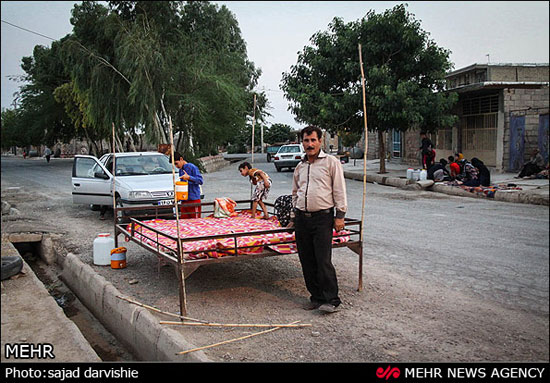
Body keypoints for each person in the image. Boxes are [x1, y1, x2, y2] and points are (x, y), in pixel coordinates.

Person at [287, 125, 347, 314]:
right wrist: (293, 216)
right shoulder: (300, 166)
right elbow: (295, 193)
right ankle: (316, 297)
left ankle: (332, 299)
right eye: (306, 140)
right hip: (302, 220)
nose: (310, 144)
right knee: (307, 260)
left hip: (323, 218)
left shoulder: (331, 162)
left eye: (313, 140)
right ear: (301, 142)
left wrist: (340, 216)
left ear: (320, 141)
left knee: (323, 260)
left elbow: (339, 189)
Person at [173, 152, 204, 219]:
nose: (176, 166)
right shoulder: (181, 170)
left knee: (195, 222)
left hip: (193, 200)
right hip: (184, 200)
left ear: (181, 159)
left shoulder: (192, 167)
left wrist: (189, 178)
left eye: (176, 163)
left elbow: (200, 181)